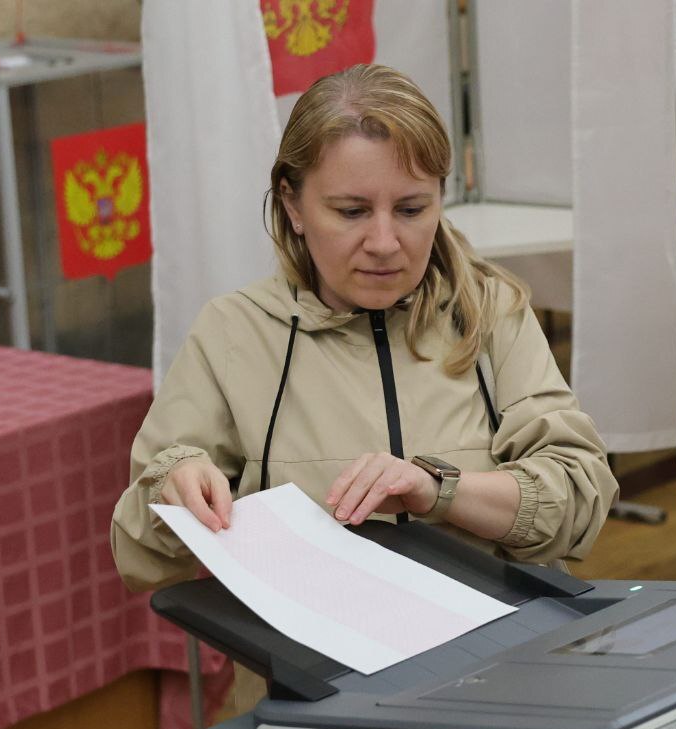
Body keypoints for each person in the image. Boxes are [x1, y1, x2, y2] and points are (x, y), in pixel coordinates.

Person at [111, 64, 618, 592]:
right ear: (292, 204)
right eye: (352, 211)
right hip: (308, 645)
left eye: (411, 209)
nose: (383, 242)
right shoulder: (233, 333)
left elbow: (579, 503)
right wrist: (171, 488)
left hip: (498, 639)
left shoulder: (490, 312)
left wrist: (437, 490)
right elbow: (141, 559)